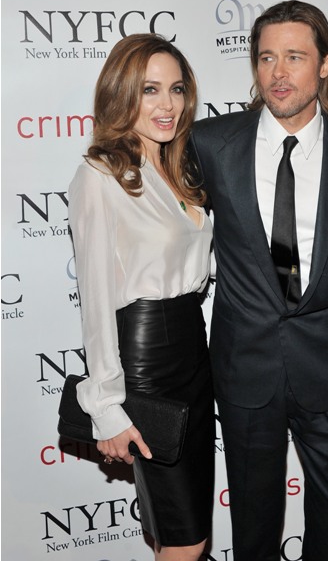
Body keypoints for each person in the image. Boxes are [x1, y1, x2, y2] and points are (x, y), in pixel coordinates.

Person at [190, 0, 328, 561]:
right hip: (245, 366)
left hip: (326, 366)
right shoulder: (211, 143)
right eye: (267, 57)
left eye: (294, 57)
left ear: (326, 65)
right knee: (253, 520)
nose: (278, 72)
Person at [68, 34, 214, 561]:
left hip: (195, 353)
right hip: (147, 362)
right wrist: (108, 407)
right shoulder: (100, 176)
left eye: (176, 89)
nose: (167, 104)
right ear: (121, 93)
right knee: (185, 539)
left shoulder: (182, 171)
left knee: (182, 535)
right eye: (150, 89)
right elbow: (96, 300)